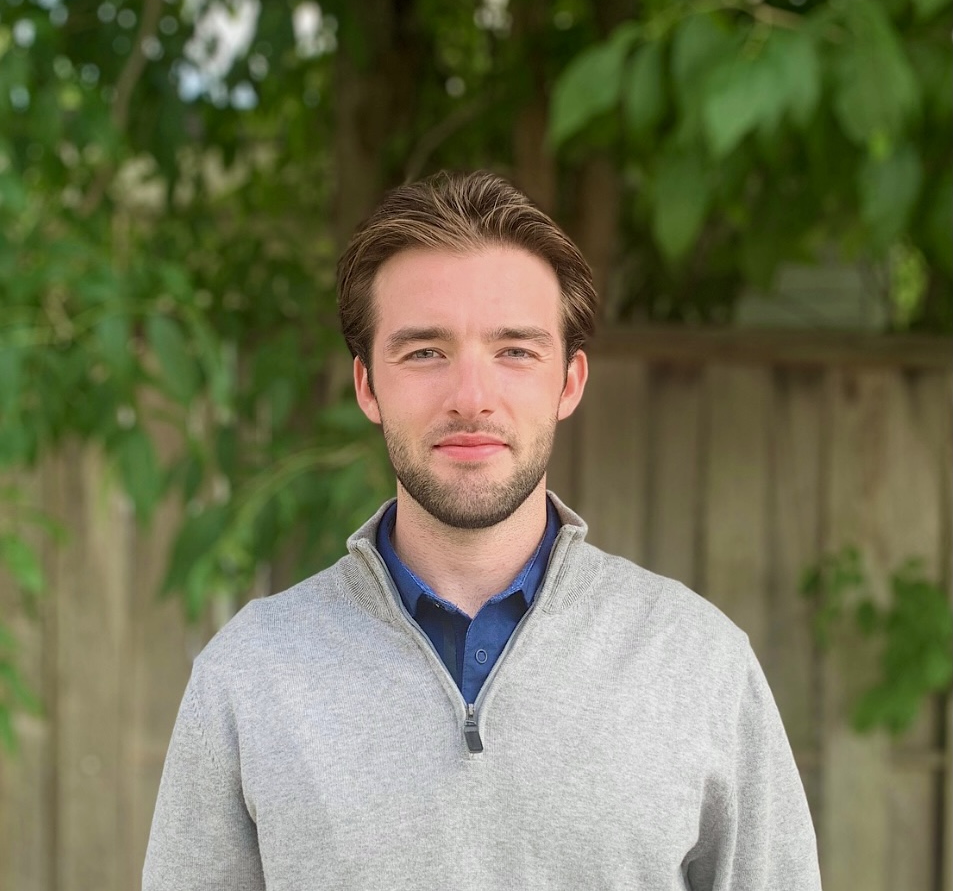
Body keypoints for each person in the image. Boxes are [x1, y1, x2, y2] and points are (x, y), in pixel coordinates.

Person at [143, 171, 822, 890]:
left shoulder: (698, 660)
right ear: (367, 385)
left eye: (515, 351)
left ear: (569, 382)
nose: (471, 398)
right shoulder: (250, 675)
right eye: (425, 352)